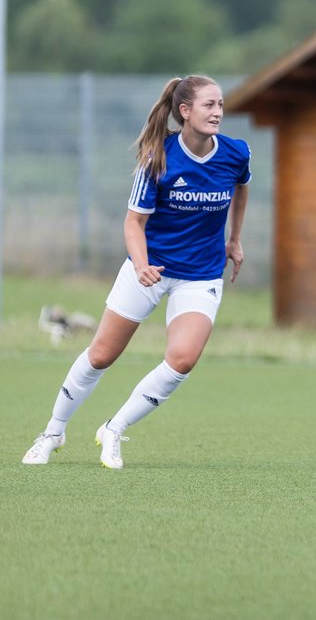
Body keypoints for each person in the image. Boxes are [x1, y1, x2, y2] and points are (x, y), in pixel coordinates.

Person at [22, 75, 251, 469]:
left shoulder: (236, 153)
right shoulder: (158, 157)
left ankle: (114, 427)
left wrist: (235, 239)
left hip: (201, 275)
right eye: (209, 105)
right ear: (185, 111)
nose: (218, 112)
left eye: (220, 104)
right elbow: (133, 224)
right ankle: (52, 432)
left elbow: (241, 187)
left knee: (182, 360)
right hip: (150, 268)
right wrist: (142, 265)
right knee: (101, 355)